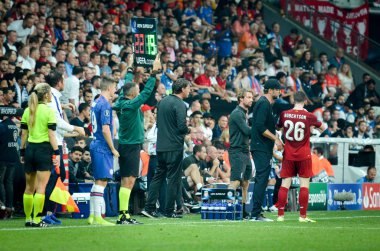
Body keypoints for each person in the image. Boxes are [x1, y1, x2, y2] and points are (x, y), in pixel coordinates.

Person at [112, 54, 161, 225]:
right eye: (137, 91)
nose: (139, 92)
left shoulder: (121, 100)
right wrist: (154, 73)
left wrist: (131, 69)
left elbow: (126, 85)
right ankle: (123, 214)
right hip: (131, 146)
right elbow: (147, 91)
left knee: (127, 180)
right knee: (129, 180)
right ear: (133, 94)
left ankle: (123, 214)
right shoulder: (131, 104)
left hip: (126, 144)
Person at [142, 78, 191, 219]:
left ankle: (149, 208)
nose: (189, 90)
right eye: (188, 88)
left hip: (161, 146)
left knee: (158, 177)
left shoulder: (162, 101)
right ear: (182, 89)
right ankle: (169, 210)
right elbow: (181, 126)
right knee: (174, 179)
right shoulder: (180, 104)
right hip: (174, 146)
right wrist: (187, 130)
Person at [276, 91, 326, 223]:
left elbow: (278, 128)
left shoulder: (284, 114)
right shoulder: (309, 116)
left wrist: (281, 139)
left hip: (288, 154)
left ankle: (280, 215)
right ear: (305, 101)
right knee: (304, 184)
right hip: (304, 154)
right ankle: (302, 216)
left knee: (285, 184)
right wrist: (312, 131)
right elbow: (323, 129)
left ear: (293, 100)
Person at [20, 83, 60, 227]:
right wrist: (57, 152)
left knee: (29, 188)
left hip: (30, 150)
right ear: (46, 95)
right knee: (41, 187)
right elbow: (51, 134)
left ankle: (28, 219)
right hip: (43, 150)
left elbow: (24, 134)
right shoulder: (49, 111)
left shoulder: (27, 110)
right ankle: (37, 219)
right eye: (50, 93)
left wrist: (22, 151)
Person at [250, 79, 282, 222]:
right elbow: (260, 127)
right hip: (261, 147)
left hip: (263, 147)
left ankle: (256, 213)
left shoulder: (265, 104)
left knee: (262, 179)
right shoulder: (263, 103)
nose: (279, 92)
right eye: (277, 89)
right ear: (271, 90)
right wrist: (276, 139)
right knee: (262, 179)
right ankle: (255, 214)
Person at [87, 77, 119, 226]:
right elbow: (106, 129)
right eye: (114, 88)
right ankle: (99, 217)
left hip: (95, 143)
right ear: (108, 88)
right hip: (102, 145)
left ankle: (92, 216)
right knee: (102, 181)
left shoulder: (96, 102)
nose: (115, 91)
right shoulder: (105, 105)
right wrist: (113, 148)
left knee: (98, 181)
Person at [228, 89, 253, 218]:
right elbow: (246, 131)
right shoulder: (237, 113)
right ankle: (227, 207)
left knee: (245, 181)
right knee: (236, 180)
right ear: (240, 99)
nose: (251, 99)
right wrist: (260, 129)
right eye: (248, 97)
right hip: (237, 151)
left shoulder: (244, 113)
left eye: (252, 97)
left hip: (245, 151)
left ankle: (242, 210)